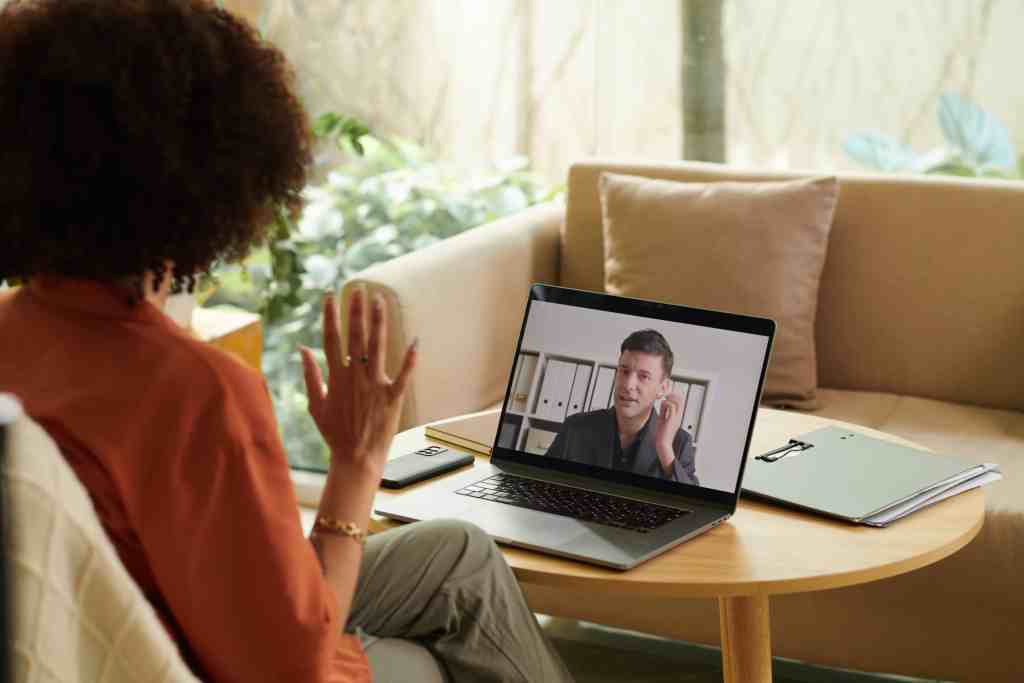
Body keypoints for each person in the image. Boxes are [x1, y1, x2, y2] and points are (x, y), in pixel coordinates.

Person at [0, 2, 574, 682]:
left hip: (127, 626)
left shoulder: (16, 329)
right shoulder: (193, 391)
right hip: (173, 659)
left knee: (458, 555)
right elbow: (290, 667)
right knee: (421, 660)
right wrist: (356, 465)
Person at [545, 330, 699, 485]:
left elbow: (693, 504)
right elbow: (543, 482)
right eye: (624, 371)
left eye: (644, 376)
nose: (628, 385)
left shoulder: (680, 443)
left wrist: (664, 448)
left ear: (663, 388)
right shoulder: (575, 427)